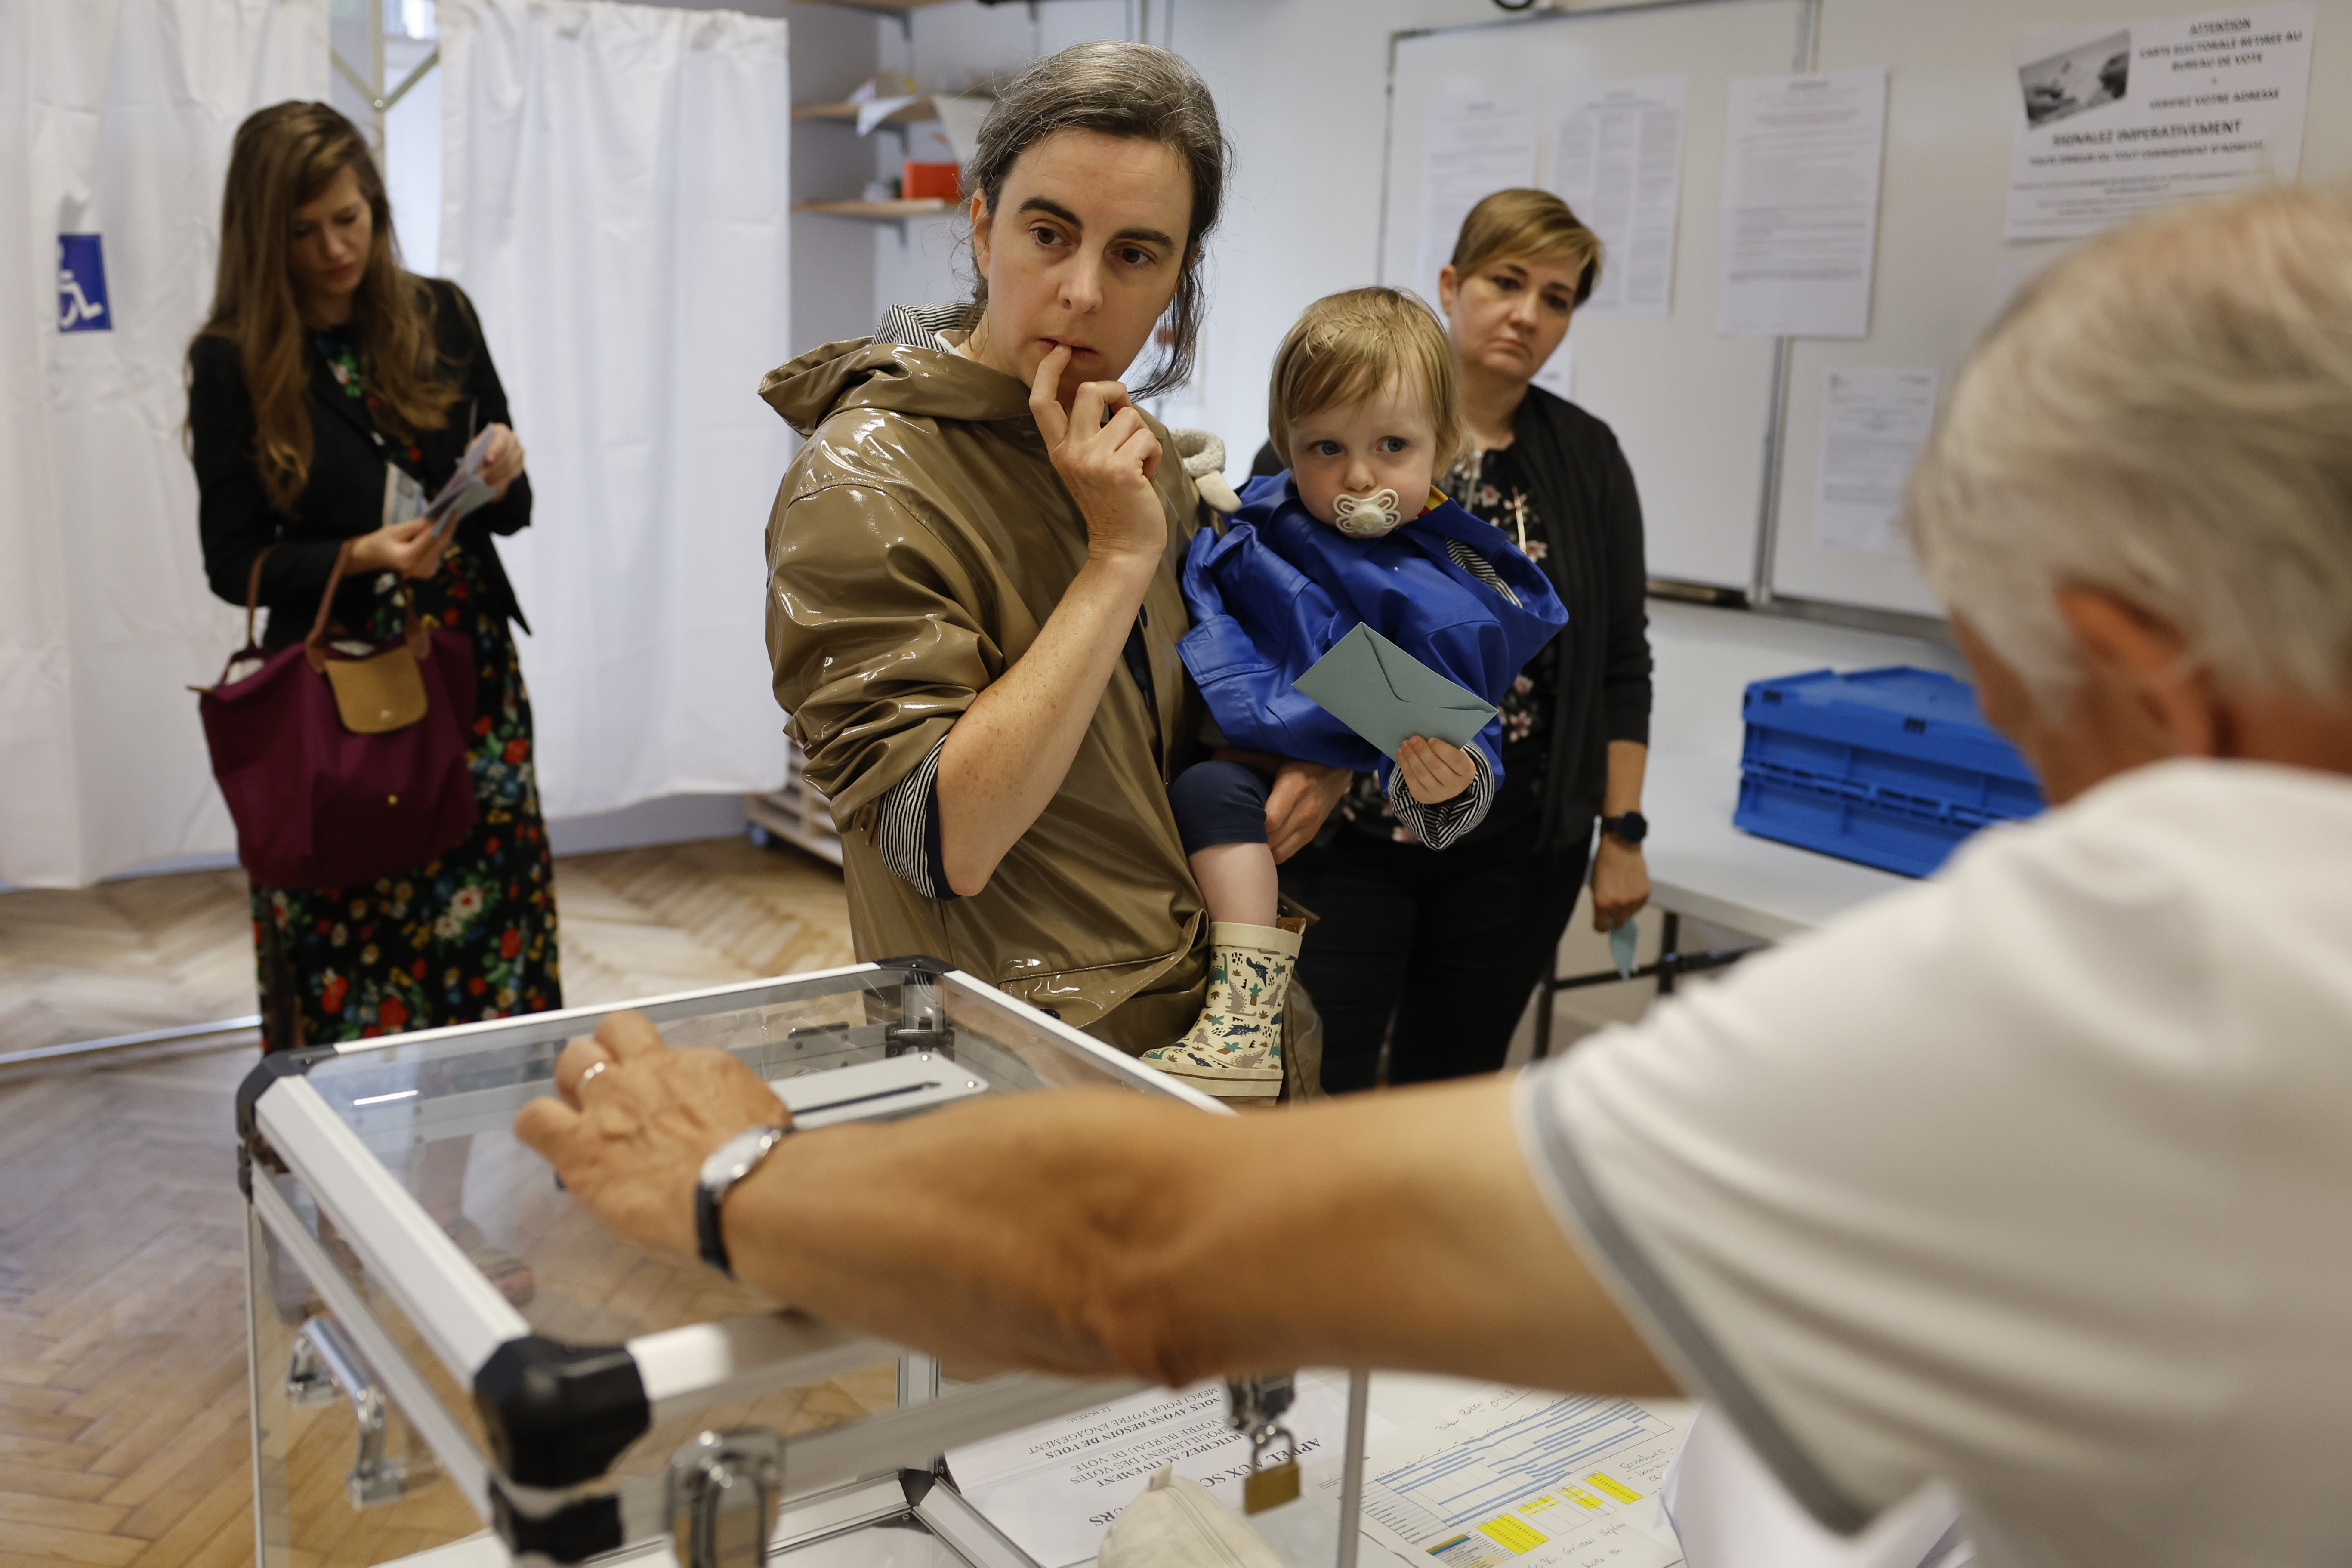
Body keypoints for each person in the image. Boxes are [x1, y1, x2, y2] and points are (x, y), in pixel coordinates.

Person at [522, 183, 2352, 1566]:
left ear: (2140, 664)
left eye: (2015, 693)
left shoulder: (2148, 975)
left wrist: (739, 1175)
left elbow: (1135, 1250)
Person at [761, 43, 1347, 1058]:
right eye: (1049, 232)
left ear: (1176, 280)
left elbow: (1291, 649)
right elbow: (940, 840)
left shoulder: (1144, 455)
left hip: (1201, 1032)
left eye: (1134, 254)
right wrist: (1117, 560)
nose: (1082, 291)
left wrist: (1343, 755)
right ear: (983, 225)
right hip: (1015, 1062)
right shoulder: (864, 480)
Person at [189, 102, 554, 1297]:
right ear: (264, 236)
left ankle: (439, 1214)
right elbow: (233, 562)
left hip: (468, 686)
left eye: (351, 219)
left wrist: (500, 473)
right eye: (307, 231)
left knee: (473, 977)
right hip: (341, 703)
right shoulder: (236, 360)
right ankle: (328, 1226)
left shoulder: (440, 313)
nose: (339, 248)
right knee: (342, 971)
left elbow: (513, 508)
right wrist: (358, 556)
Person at [1267, 191, 1654, 1092]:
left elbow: (1620, 661)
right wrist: (1369, 752)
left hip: (1513, 852)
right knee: (1325, 1081)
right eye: (1507, 281)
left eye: (1556, 298)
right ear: (1453, 283)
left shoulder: (1586, 456)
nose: (1527, 313)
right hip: (1349, 839)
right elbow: (1280, 610)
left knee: (1454, 1084)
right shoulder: (1340, 423)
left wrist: (1622, 831)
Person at [1142, 287, 1565, 1099]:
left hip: (1327, 822)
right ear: (1286, 445)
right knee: (1198, 796)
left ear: (1443, 448)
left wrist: (1449, 775)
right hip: (1222, 776)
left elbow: (1451, 721)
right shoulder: (1270, 517)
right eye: (1325, 448)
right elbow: (1210, 537)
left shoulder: (1444, 584)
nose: (1358, 476)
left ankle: (1244, 1014)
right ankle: (1239, 1015)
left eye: (1392, 446)